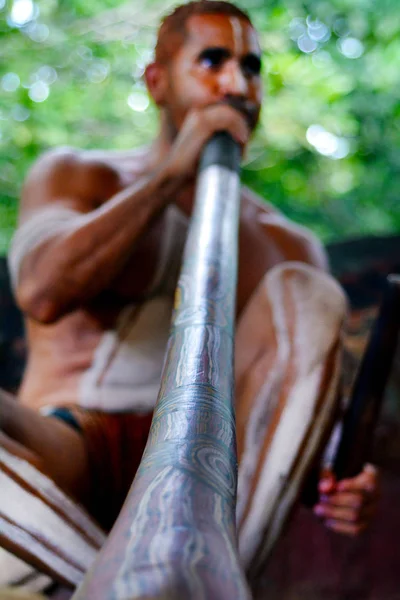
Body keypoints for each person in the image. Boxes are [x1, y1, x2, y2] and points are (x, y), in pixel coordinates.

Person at [1, 0, 377, 563]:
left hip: (212, 479)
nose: (236, 84)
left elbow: (306, 425)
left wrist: (341, 483)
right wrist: (173, 174)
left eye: (251, 67)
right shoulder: (79, 174)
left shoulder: (287, 244)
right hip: (65, 460)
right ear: (157, 82)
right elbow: (41, 291)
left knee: (307, 290)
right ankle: (111, 577)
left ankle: (209, 569)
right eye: (212, 60)